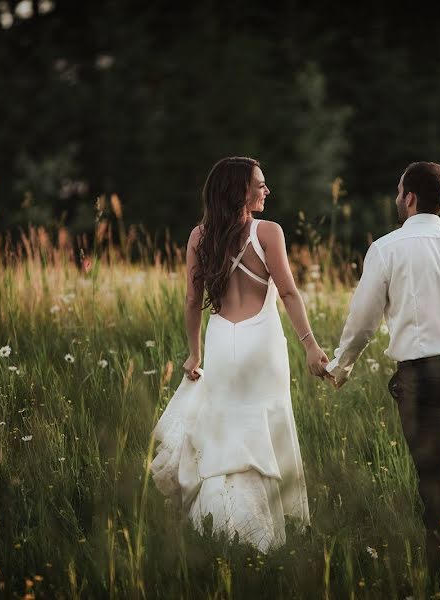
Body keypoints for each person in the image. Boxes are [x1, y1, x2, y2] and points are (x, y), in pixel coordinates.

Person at [324, 161, 440, 576]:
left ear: (409, 198)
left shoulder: (387, 248)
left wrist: (342, 366)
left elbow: (364, 320)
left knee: (437, 480)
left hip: (424, 379)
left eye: (398, 193)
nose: (396, 199)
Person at [150, 156, 329, 553]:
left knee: (225, 426)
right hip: (261, 342)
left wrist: (194, 355)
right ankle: (259, 530)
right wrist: (311, 346)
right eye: (260, 184)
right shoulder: (268, 232)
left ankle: (219, 521)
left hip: (220, 340)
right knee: (265, 421)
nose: (267, 190)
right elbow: (288, 292)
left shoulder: (199, 236)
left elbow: (192, 300)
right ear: (240, 190)